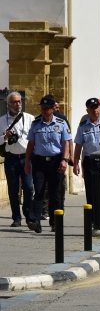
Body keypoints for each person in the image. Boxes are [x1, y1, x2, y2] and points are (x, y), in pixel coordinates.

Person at [25, 96, 72, 233]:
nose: (44, 110)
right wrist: (27, 162)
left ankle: (55, 222)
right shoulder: (36, 123)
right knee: (39, 191)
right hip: (39, 161)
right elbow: (31, 144)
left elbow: (66, 142)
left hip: (56, 161)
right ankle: (34, 221)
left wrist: (65, 159)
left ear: (52, 109)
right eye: (42, 108)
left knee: (55, 193)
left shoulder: (61, 123)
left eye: (46, 108)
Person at [1, 92, 34, 227]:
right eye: (15, 102)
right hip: (11, 160)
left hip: (26, 158)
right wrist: (5, 137)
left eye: (19, 101)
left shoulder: (30, 118)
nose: (18, 104)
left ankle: (28, 213)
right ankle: (16, 217)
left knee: (28, 187)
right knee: (13, 189)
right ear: (8, 104)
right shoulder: (2, 120)